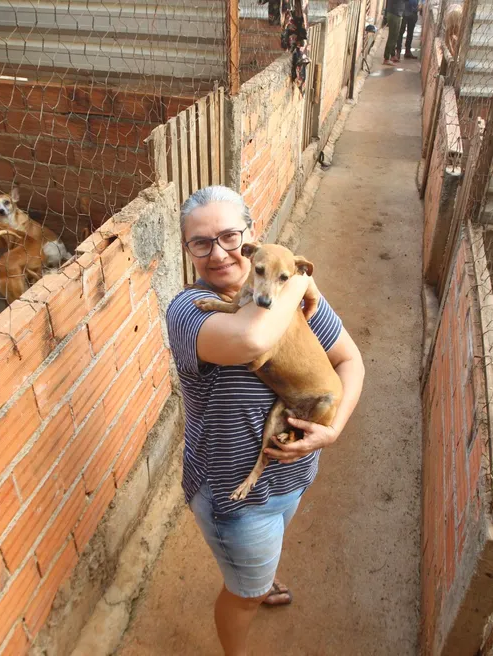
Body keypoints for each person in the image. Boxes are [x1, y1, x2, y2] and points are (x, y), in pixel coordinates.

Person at [165, 186, 365, 656]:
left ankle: (258, 571)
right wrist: (298, 282)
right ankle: (247, 606)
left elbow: (350, 361)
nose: (218, 253)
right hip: (234, 498)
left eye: (229, 236)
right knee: (244, 596)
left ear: (250, 237)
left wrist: (333, 429)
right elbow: (253, 340)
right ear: (188, 250)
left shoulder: (285, 277)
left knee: (265, 551)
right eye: (201, 242)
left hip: (294, 475)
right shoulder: (186, 311)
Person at [382, 0, 406, 64]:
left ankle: (392, 55)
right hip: (395, 14)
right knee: (392, 36)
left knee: (395, 36)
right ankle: (386, 58)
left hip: (396, 13)